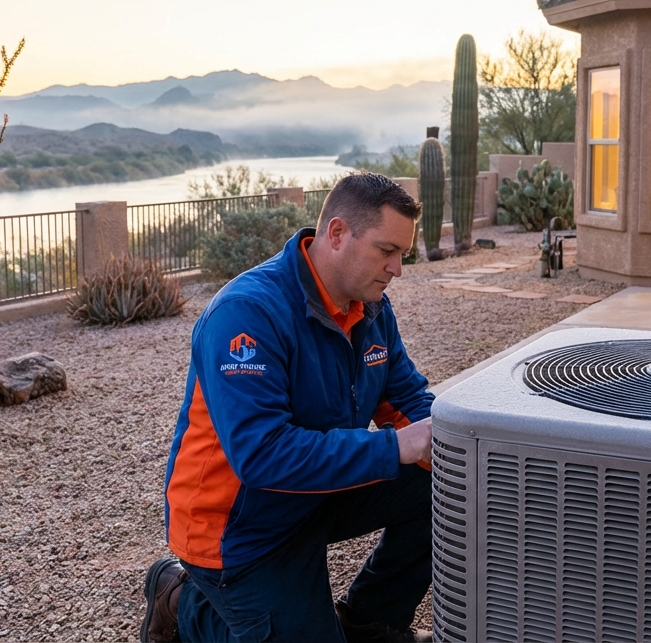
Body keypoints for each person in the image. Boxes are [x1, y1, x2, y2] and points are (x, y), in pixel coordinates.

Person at [142, 173, 435, 643]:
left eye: (403, 254)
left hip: (316, 492)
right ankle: (181, 599)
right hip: (240, 526)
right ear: (337, 234)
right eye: (387, 251)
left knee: (450, 484)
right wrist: (395, 446)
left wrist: (455, 442)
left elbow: (407, 402)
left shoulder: (371, 307)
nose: (397, 268)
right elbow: (262, 456)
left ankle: (370, 623)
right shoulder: (247, 314)